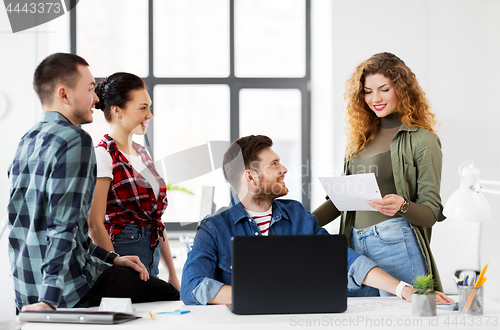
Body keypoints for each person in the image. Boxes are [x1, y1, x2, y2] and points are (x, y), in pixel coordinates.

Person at [180, 135, 452, 305]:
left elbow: (345, 260)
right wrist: (260, 296)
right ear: (250, 177)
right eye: (274, 164)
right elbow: (192, 288)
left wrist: (403, 290)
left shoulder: (296, 215)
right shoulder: (214, 229)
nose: (284, 168)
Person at [8, 53, 179, 311]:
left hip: (25, 288)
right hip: (68, 288)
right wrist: (49, 300)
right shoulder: (75, 140)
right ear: (64, 95)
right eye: (90, 89)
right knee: (169, 296)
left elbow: (25, 226)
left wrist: (112, 259)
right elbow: (62, 227)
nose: (97, 98)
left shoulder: (27, 140)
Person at [313, 52, 445, 296]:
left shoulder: (423, 140)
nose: (375, 98)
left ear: (402, 89)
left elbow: (431, 213)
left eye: (384, 89)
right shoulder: (359, 142)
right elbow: (339, 202)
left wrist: (402, 206)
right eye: (367, 91)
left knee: (407, 319)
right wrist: (301, 225)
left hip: (395, 243)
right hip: (354, 243)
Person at [88, 72, 180, 291]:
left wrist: (173, 273)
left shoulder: (142, 153)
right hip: (123, 256)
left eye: (149, 107)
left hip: (151, 260)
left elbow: (156, 220)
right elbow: (94, 223)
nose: (150, 115)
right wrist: (118, 272)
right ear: (117, 111)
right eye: (142, 108)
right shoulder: (103, 155)